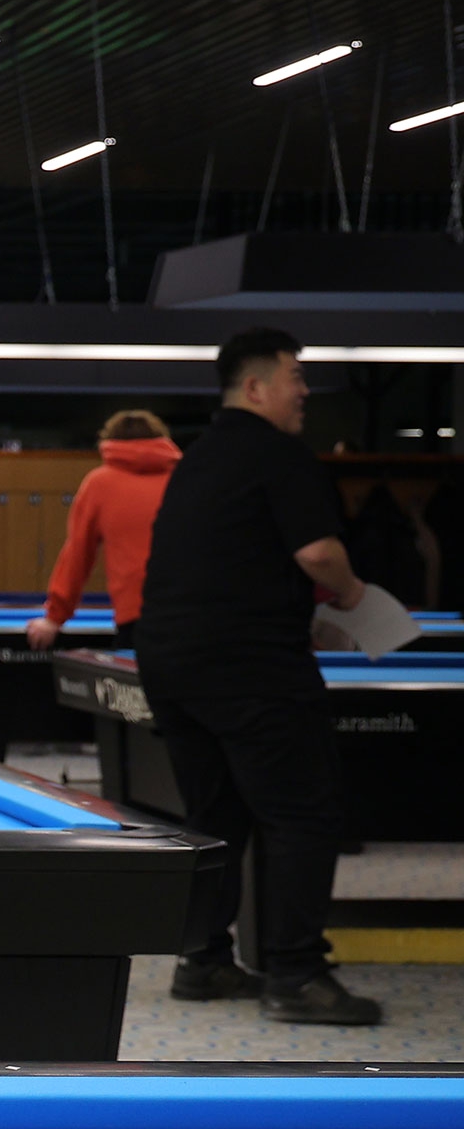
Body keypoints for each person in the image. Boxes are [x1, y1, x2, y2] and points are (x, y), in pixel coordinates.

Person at [138, 327, 379, 1025]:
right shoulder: (278, 453)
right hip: (250, 668)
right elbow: (318, 554)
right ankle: (296, 975)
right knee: (302, 815)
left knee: (213, 817)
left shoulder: (198, 457)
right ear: (255, 387)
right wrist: (354, 595)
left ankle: (204, 961)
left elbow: (228, 560)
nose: (304, 392)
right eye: (294, 377)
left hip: (172, 663)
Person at [27, 409, 180, 652]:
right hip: (197, 612)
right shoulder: (186, 479)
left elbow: (78, 555)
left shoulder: (100, 483)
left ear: (109, 442)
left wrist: (55, 617)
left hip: (138, 617)